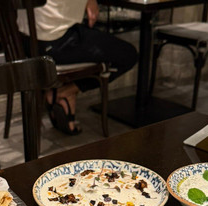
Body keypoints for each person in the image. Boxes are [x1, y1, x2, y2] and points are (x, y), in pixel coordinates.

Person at [17, 0, 138, 135]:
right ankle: (67, 91)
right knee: (128, 55)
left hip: (25, 42)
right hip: (55, 44)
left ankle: (66, 98)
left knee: (81, 33)